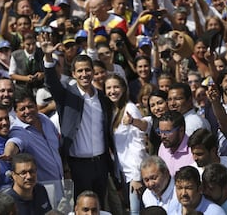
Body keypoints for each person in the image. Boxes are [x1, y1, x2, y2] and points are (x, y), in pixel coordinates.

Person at [42, 38, 113, 206]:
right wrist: (48, 57)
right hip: (78, 166)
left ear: (93, 72)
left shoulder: (103, 98)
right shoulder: (67, 95)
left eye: (87, 70)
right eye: (79, 71)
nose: (84, 74)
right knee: (82, 207)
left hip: (101, 164)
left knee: (99, 206)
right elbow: (51, 82)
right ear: (73, 74)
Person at [104, 74, 147, 214]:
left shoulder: (130, 109)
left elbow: (139, 143)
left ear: (123, 88)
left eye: (116, 87)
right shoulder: (114, 110)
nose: (112, 91)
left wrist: (136, 176)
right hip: (123, 172)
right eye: (109, 88)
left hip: (134, 173)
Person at [157, 110, 194, 176]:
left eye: (167, 132)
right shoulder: (163, 147)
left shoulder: (193, 151)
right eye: (160, 131)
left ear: (181, 130)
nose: (163, 136)